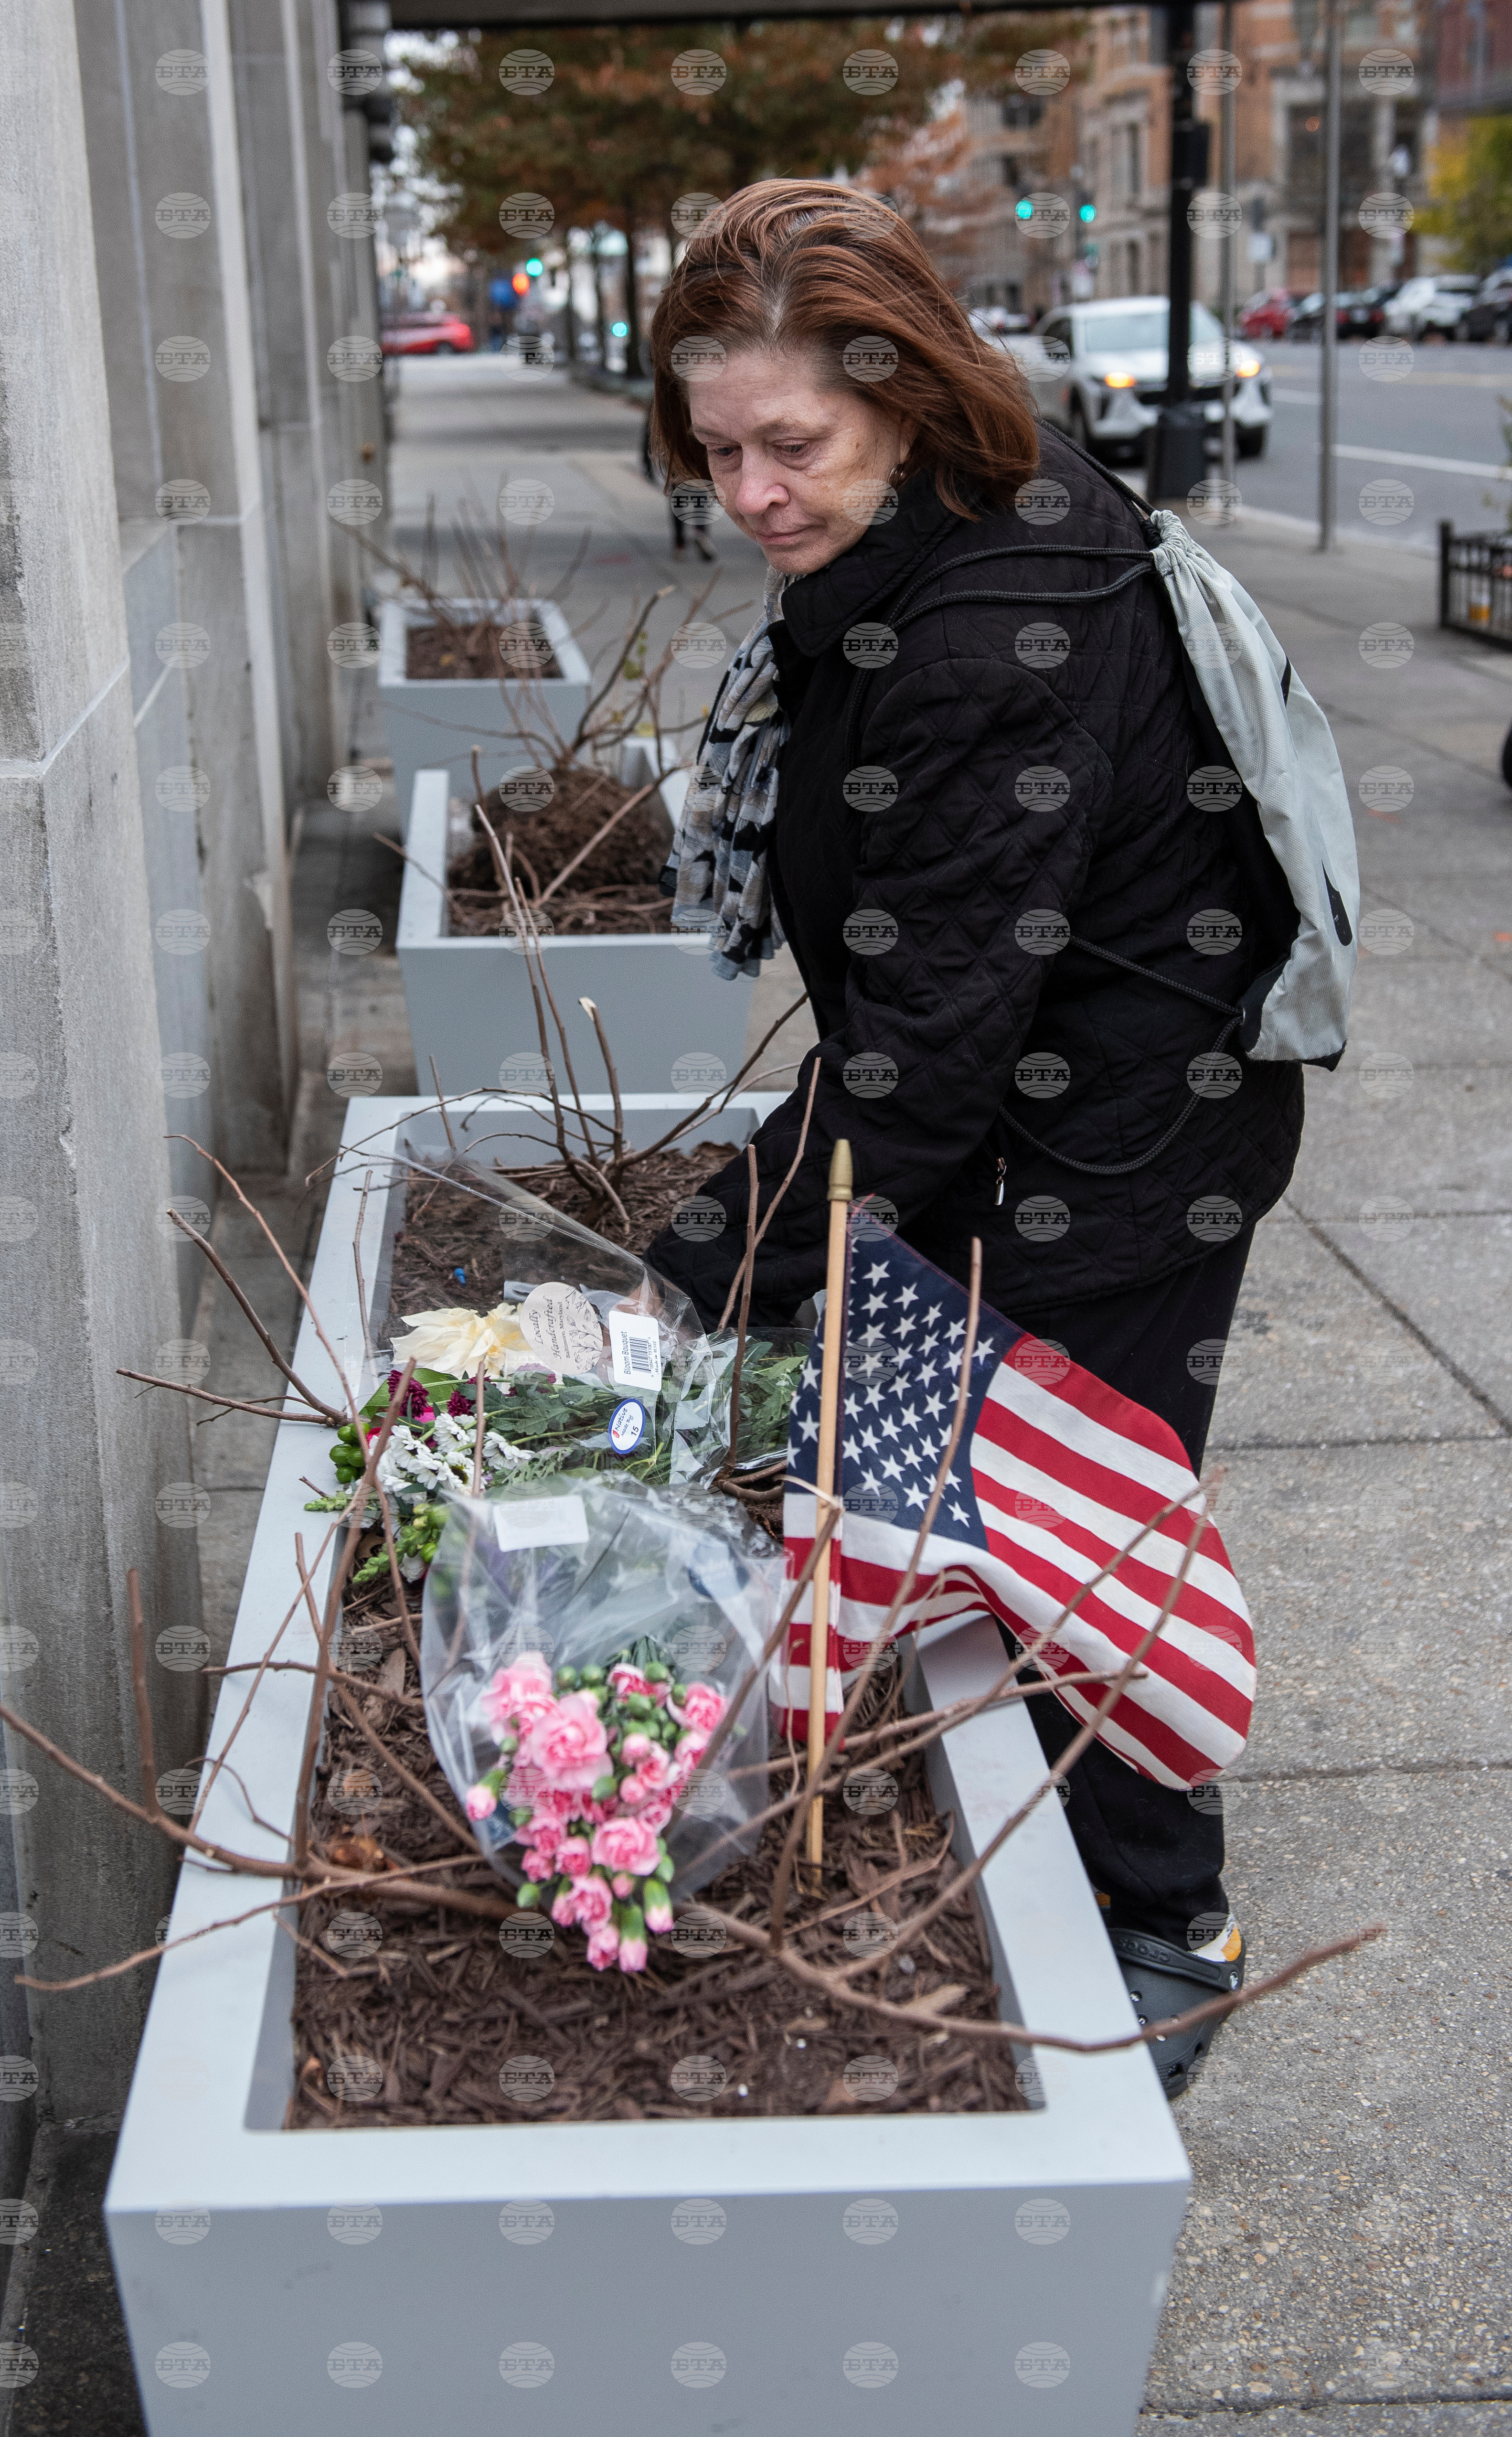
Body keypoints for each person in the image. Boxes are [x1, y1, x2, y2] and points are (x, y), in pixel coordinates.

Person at [642, 180, 1305, 2097]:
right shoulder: (925, 549)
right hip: (1042, 1097)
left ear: (908, 399)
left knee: (1081, 1515)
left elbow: (919, 1065)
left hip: (1110, 1140)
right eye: (715, 448)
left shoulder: (991, 625)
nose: (752, 491)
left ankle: (1160, 1923)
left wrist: (688, 1269)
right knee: (993, 1484)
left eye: (794, 446)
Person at [643, 407, 716, 559]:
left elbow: (650, 431)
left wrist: (648, 462)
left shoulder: (664, 396)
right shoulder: (696, 394)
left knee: (679, 499)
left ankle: (680, 545)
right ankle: (700, 533)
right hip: (695, 455)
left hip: (675, 457)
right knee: (700, 494)